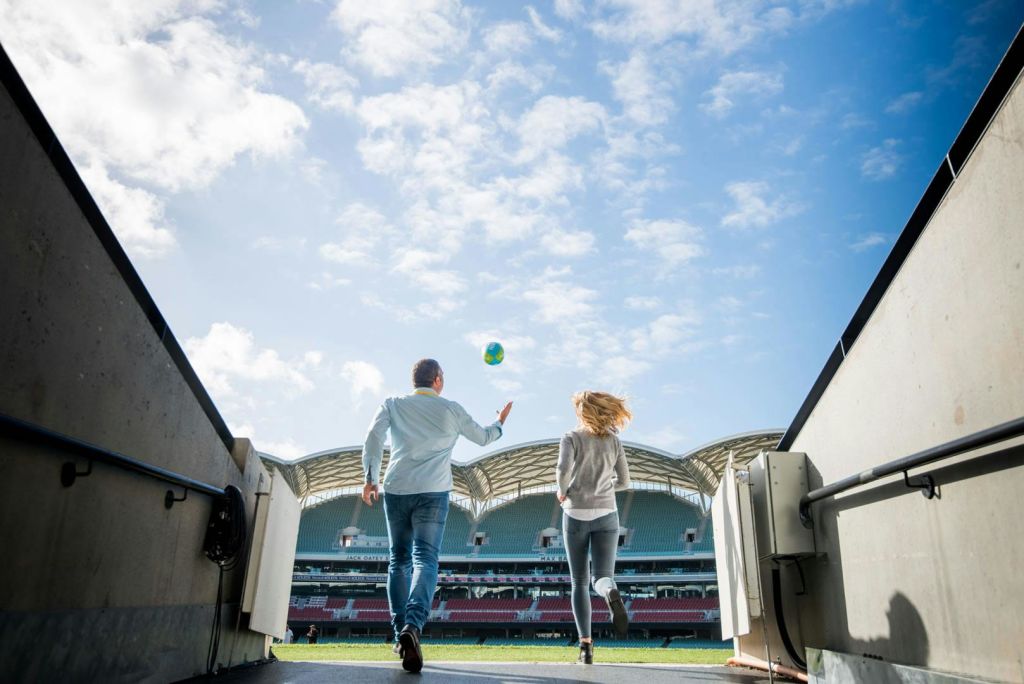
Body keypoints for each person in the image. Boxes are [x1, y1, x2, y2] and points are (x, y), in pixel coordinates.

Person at [361, 358, 512, 673]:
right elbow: (483, 437)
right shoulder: (451, 409)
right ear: (438, 380)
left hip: (397, 489)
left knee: (398, 561)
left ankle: (400, 633)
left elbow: (374, 436)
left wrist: (370, 477)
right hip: (433, 492)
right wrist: (499, 423)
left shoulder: (392, 404)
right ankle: (413, 626)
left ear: (414, 380)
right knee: (425, 560)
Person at [556, 391, 632, 665]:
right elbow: (624, 481)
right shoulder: (614, 441)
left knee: (578, 582)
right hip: (607, 514)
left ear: (582, 412)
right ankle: (610, 591)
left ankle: (585, 648)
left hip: (575, 512)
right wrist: (607, 487)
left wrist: (562, 491)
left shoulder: (571, 437)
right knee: (602, 577)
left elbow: (563, 470)